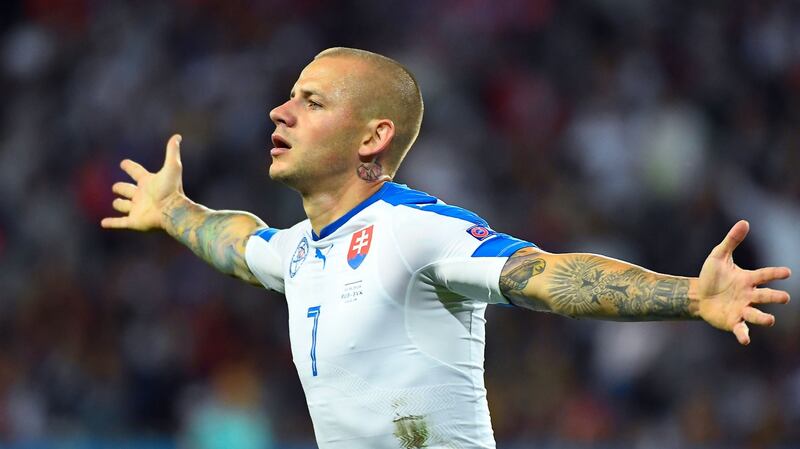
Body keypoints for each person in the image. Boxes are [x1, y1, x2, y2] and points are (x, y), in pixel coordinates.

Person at [101, 47, 792, 449]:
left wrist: (687, 295)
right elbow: (238, 242)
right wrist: (175, 210)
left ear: (373, 137)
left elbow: (544, 274)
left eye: (311, 101)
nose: (281, 112)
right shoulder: (301, 252)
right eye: (288, 97)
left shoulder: (414, 229)